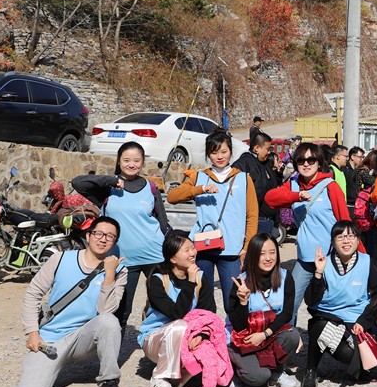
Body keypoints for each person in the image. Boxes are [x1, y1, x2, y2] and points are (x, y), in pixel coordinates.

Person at [17, 217, 127, 387]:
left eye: (110, 236)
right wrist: (32, 333)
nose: (103, 239)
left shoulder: (120, 271)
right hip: (51, 340)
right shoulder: (60, 259)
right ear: (88, 235)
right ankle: (40, 365)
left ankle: (108, 381)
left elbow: (106, 311)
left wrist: (109, 274)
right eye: (98, 233)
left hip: (83, 338)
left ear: (115, 242)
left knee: (109, 321)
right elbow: (33, 294)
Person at [72, 141, 169, 332]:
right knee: (121, 310)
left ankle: (157, 345)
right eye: (126, 160)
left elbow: (162, 222)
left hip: (155, 255)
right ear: (119, 161)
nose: (131, 164)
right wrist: (110, 180)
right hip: (122, 259)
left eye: (136, 160)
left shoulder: (150, 187)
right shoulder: (108, 188)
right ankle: (113, 349)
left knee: (161, 306)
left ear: (142, 162)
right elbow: (78, 183)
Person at [167, 130, 258, 325]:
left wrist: (247, 247)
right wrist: (200, 189)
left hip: (232, 250)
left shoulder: (243, 178)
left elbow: (252, 215)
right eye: (214, 152)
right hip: (203, 248)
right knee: (202, 300)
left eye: (224, 151)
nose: (220, 156)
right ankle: (206, 334)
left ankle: (233, 337)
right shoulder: (199, 177)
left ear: (230, 151)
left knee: (232, 300)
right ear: (208, 154)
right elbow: (172, 197)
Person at [265, 142, 354, 325]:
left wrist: (358, 255)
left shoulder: (330, 186)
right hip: (305, 258)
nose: (306, 164)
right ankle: (288, 339)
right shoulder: (293, 184)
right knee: (289, 303)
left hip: (331, 257)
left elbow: (345, 221)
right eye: (301, 160)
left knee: (332, 304)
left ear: (319, 162)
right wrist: (296, 196)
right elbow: (270, 199)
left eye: (311, 160)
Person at [302, 221, 377, 387]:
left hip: (356, 321)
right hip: (328, 316)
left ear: (358, 240)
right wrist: (318, 273)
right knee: (319, 326)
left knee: (356, 357)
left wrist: (364, 321)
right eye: (340, 237)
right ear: (333, 242)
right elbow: (310, 300)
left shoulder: (366, 261)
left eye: (351, 236)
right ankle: (311, 370)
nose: (346, 241)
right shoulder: (324, 263)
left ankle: (358, 367)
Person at [138, 230, 218, 387]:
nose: (193, 253)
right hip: (156, 340)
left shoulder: (201, 277)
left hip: (189, 337)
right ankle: (159, 377)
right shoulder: (158, 280)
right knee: (180, 325)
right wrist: (190, 282)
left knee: (215, 339)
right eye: (186, 250)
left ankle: (179, 376)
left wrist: (202, 335)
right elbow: (177, 313)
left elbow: (208, 313)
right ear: (173, 258)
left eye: (193, 248)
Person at [227, 233, 300, 387]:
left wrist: (264, 334)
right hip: (243, 339)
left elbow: (287, 313)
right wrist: (243, 302)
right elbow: (237, 325)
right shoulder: (242, 282)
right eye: (262, 253)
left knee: (293, 335)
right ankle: (235, 369)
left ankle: (276, 373)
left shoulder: (285, 277)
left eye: (272, 252)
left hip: (267, 334)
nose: (268, 258)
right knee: (258, 378)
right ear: (253, 256)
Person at [232, 131, 281, 235]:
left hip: (269, 221)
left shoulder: (265, 163)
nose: (269, 153)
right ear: (257, 148)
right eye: (267, 149)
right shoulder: (243, 164)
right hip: (256, 222)